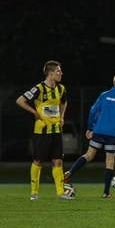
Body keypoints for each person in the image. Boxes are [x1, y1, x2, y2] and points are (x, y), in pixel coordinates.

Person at [63, 71, 115, 199]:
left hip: (99, 131)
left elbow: (93, 110)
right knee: (109, 161)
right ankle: (105, 192)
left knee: (88, 155)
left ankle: (70, 172)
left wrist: (90, 128)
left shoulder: (104, 95)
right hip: (113, 134)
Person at [16, 60, 69, 200]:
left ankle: (60, 193)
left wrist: (62, 116)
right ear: (50, 74)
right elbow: (20, 100)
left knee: (58, 161)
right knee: (38, 161)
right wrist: (34, 112)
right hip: (42, 131)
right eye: (58, 71)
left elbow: (64, 102)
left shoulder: (61, 88)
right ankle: (34, 192)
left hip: (56, 130)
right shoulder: (38, 89)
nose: (61, 73)